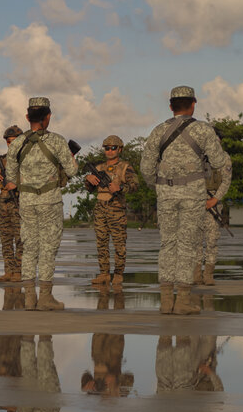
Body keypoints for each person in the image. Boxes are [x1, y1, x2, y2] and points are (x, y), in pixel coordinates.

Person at [140, 86, 231, 315]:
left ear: (171, 106)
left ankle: (165, 301)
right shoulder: (203, 130)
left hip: (166, 194)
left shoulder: (158, 131)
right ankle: (182, 301)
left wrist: (158, 186)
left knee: (167, 244)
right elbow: (220, 162)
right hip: (193, 194)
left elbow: (146, 168)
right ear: (193, 104)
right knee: (188, 245)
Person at [4, 97, 78, 311]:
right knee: (48, 248)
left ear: (27, 117)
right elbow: (72, 171)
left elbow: (10, 177)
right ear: (48, 117)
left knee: (29, 247)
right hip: (50, 201)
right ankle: (45, 297)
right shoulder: (56, 141)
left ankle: (29, 298)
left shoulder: (17, 143)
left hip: (26, 201)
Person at [84, 135, 138, 288]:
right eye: (107, 148)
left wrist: (120, 188)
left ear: (120, 149)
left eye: (113, 148)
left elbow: (134, 185)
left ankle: (118, 274)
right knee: (101, 242)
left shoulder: (125, 167)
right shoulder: (99, 168)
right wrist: (88, 180)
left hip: (116, 207)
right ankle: (104, 273)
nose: (109, 151)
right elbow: (89, 189)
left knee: (119, 243)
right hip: (100, 206)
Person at [0, 125, 24, 282]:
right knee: (5, 239)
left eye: (14, 141)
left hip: (19, 201)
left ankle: (19, 271)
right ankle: (8, 271)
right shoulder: (2, 160)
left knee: (20, 239)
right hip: (3, 202)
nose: (11, 144)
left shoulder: (26, 160)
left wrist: (17, 184)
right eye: (8, 142)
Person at [192, 152, 232, 286]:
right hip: (194, 200)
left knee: (211, 240)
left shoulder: (223, 157)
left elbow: (226, 181)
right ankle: (196, 275)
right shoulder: (195, 154)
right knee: (195, 240)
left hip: (213, 200)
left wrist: (214, 200)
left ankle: (208, 275)